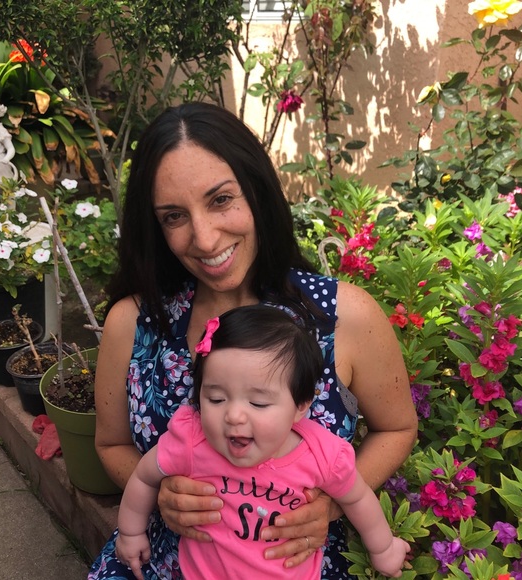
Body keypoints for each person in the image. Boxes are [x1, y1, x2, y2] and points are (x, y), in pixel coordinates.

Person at [88, 102, 418, 580]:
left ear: (257, 191)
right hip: (160, 563)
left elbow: (397, 429)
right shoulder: (134, 322)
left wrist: (331, 505)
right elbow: (111, 444)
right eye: (175, 216)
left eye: (221, 199)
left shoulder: (344, 316)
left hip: (294, 564)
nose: (204, 239)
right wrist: (159, 495)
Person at [115, 305, 411, 580]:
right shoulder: (191, 440)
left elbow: (357, 498)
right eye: (216, 398)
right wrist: (130, 533)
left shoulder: (322, 454)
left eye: (258, 403)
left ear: (300, 406)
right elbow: (144, 477)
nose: (233, 415)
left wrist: (383, 548)